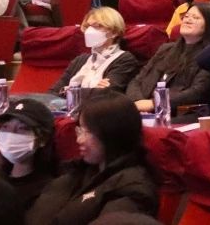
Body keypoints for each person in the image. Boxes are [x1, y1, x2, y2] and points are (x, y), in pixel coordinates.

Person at [26, 92, 157, 223]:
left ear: (112, 134)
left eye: (87, 132)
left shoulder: (134, 189)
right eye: (79, 130)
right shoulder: (79, 171)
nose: (79, 140)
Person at [127, 2, 210, 116]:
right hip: (143, 110)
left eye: (195, 18)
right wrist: (138, 102)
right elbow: (137, 80)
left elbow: (198, 92)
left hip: (180, 114)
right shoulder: (166, 49)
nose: (187, 20)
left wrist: (154, 103)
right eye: (186, 16)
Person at [48, 8, 141, 102]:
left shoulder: (125, 59)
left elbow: (105, 95)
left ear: (114, 32)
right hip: (68, 108)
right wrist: (90, 90)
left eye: (97, 26)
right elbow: (53, 92)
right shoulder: (80, 60)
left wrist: (69, 91)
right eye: (88, 26)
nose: (90, 31)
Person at [0, 98, 59, 212]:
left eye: (22, 128)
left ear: (43, 138)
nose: (10, 135)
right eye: (5, 127)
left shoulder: (47, 190)